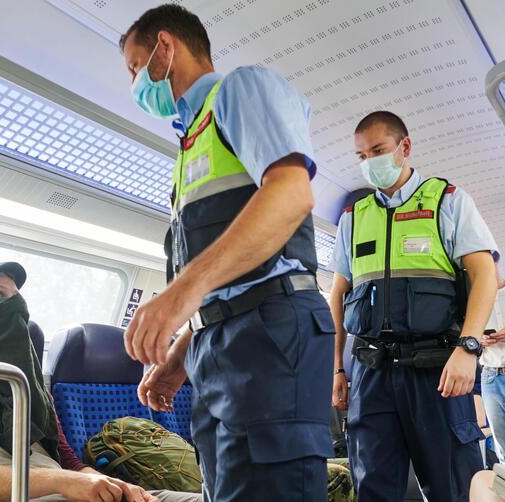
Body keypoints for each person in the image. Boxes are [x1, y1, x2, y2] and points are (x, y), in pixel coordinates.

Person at [119, 5, 334, 501]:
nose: (134, 85)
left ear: (165, 48)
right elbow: (223, 270)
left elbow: (291, 193)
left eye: (135, 68)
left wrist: (182, 293)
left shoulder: (238, 89)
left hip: (271, 332)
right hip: (216, 345)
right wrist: (180, 354)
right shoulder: (188, 146)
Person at [0, 262, 201, 502]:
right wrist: (64, 481)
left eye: (16, 298)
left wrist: (110, 485)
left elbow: (68, 460)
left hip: (63, 489)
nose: (14, 306)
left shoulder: (28, 384)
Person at [329, 110, 498, 501]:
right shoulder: (354, 218)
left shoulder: (447, 201)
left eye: (378, 150)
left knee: (454, 485)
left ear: (404, 147)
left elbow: (485, 274)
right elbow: (338, 295)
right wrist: (338, 366)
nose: (369, 162)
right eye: (361, 155)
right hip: (372, 374)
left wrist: (468, 347)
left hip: (435, 369)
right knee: (373, 486)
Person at [481, 261, 505, 463]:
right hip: (490, 375)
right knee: (501, 446)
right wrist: (478, 339)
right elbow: (465, 334)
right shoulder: (476, 298)